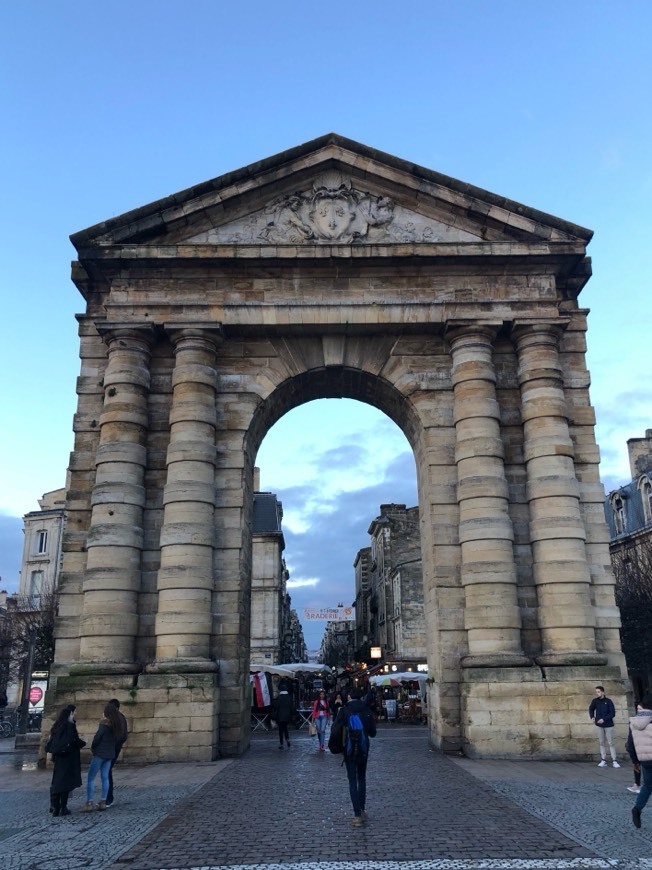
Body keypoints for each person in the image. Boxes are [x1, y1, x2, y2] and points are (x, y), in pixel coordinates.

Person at [333, 686, 376, 827]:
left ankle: (357, 815)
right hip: (363, 748)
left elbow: (336, 729)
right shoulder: (366, 709)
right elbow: (373, 732)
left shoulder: (344, 710)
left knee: (352, 780)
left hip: (349, 749)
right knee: (361, 778)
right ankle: (362, 809)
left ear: (350, 697)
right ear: (361, 697)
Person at [82, 703, 124, 812]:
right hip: (109, 754)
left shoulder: (104, 725)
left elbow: (97, 739)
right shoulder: (116, 726)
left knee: (91, 778)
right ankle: (103, 801)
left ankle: (89, 802)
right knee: (105, 777)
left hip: (100, 754)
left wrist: (93, 748)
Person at [46, 703, 86, 817]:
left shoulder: (57, 725)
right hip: (68, 758)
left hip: (58, 758)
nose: (75, 714)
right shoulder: (70, 726)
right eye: (74, 712)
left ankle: (55, 807)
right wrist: (83, 743)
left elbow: (50, 742)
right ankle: (63, 808)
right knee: (65, 784)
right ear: (70, 714)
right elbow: (74, 740)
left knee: (57, 782)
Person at [629, 693, 652, 828]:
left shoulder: (634, 722)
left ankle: (637, 808)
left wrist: (635, 761)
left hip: (645, 761)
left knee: (647, 786)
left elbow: (631, 744)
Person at [589, 685, 620, 768]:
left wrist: (604, 719)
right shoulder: (595, 701)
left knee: (611, 743)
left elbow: (612, 713)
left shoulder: (609, 701)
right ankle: (603, 760)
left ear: (603, 692)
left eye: (598, 692)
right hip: (599, 725)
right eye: (596, 692)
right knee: (601, 742)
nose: (597, 693)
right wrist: (592, 717)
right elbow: (591, 708)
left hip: (608, 725)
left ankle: (614, 760)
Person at [106, 698, 128, 807]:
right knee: (107, 772)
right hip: (112, 748)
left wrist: (114, 745)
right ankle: (107, 798)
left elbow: (122, 736)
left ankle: (108, 798)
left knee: (107, 772)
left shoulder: (117, 718)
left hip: (112, 749)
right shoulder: (117, 717)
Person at [272, 681, 295, 749]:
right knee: (285, 728)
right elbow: (292, 707)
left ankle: (281, 743)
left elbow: (276, 706)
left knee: (280, 730)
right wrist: (293, 714)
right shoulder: (289, 697)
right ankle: (287, 739)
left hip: (280, 716)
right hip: (287, 716)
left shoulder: (279, 698)